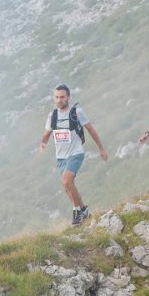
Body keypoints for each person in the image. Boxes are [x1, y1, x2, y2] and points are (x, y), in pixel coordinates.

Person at [40, 84, 108, 226]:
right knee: (67, 187)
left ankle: (77, 211)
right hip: (60, 157)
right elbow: (46, 134)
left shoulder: (77, 112)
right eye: (57, 97)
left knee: (66, 181)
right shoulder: (52, 116)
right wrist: (43, 143)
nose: (59, 100)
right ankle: (84, 210)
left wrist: (101, 149)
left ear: (68, 97)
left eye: (62, 97)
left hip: (76, 153)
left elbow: (91, 131)